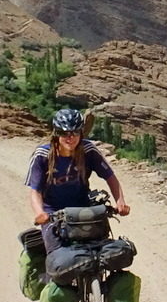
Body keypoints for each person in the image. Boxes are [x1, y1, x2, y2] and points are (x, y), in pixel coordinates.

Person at [26, 108, 131, 254]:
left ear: (81, 132)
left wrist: (120, 202)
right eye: (64, 133)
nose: (70, 138)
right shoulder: (42, 155)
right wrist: (40, 213)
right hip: (53, 212)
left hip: (84, 209)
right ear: (56, 133)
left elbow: (110, 177)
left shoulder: (88, 150)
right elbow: (35, 190)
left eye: (75, 132)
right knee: (57, 256)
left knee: (99, 251)